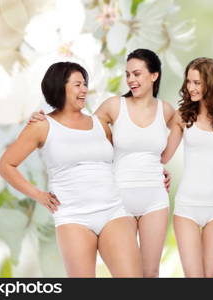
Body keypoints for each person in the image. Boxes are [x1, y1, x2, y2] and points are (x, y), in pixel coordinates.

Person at [29, 49, 174, 278]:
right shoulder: (113, 106)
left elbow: (179, 132)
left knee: (150, 272)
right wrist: (45, 118)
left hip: (154, 197)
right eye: (128, 75)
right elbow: (81, 132)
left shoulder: (166, 109)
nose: (131, 80)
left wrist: (162, 166)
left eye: (136, 74)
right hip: (118, 196)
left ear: (154, 75)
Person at [0, 62, 142, 277]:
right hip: (74, 218)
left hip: (113, 211)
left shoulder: (100, 124)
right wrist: (39, 195)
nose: (84, 89)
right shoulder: (42, 125)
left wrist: (156, 172)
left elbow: (123, 161)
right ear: (59, 87)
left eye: (85, 84)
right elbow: (5, 165)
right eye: (77, 84)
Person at [161, 57, 213, 277]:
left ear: (211, 83)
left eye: (197, 83)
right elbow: (165, 156)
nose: (191, 88)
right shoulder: (183, 116)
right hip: (187, 207)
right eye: (188, 82)